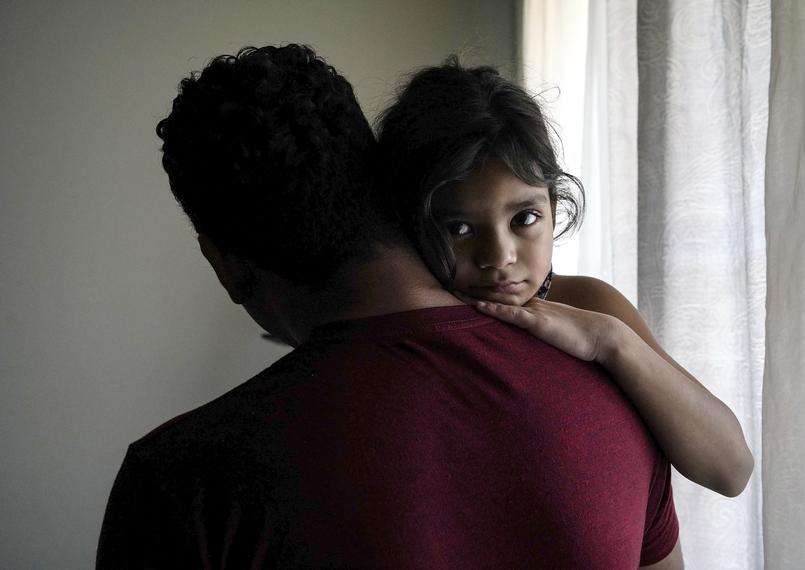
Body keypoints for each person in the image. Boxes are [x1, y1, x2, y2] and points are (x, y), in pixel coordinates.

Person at [97, 44, 682, 568]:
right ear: (388, 194)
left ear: (224, 262)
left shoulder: (183, 481)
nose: (499, 255)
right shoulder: (614, 386)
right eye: (462, 227)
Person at [375, 59, 754, 499]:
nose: (499, 257)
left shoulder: (589, 303)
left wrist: (610, 340)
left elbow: (731, 469)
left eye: (525, 218)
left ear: (555, 207)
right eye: (459, 228)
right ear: (407, 224)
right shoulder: (402, 331)